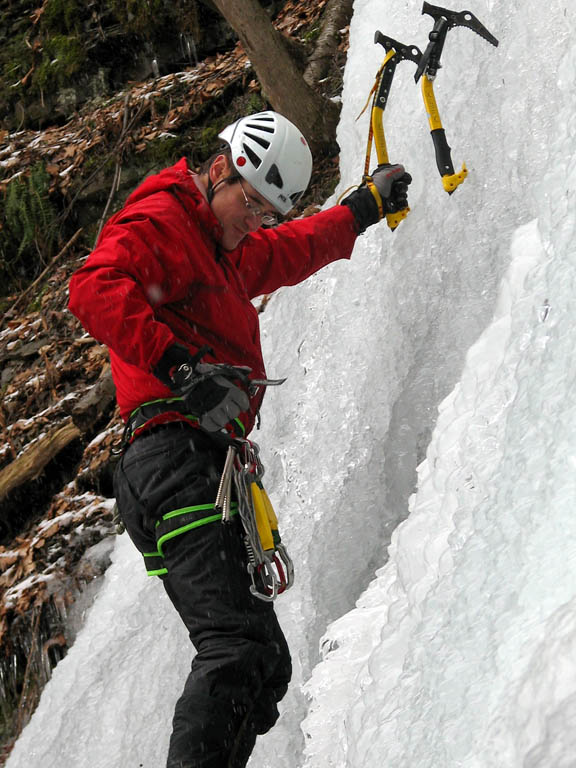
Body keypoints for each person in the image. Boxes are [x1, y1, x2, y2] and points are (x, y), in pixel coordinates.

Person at [68, 110, 411, 768]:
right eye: (248, 203)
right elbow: (92, 287)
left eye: (263, 213)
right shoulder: (163, 222)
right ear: (218, 171)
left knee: (265, 663)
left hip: (194, 465)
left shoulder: (224, 251)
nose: (251, 222)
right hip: (172, 458)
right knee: (235, 648)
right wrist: (180, 369)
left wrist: (361, 210)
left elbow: (288, 252)